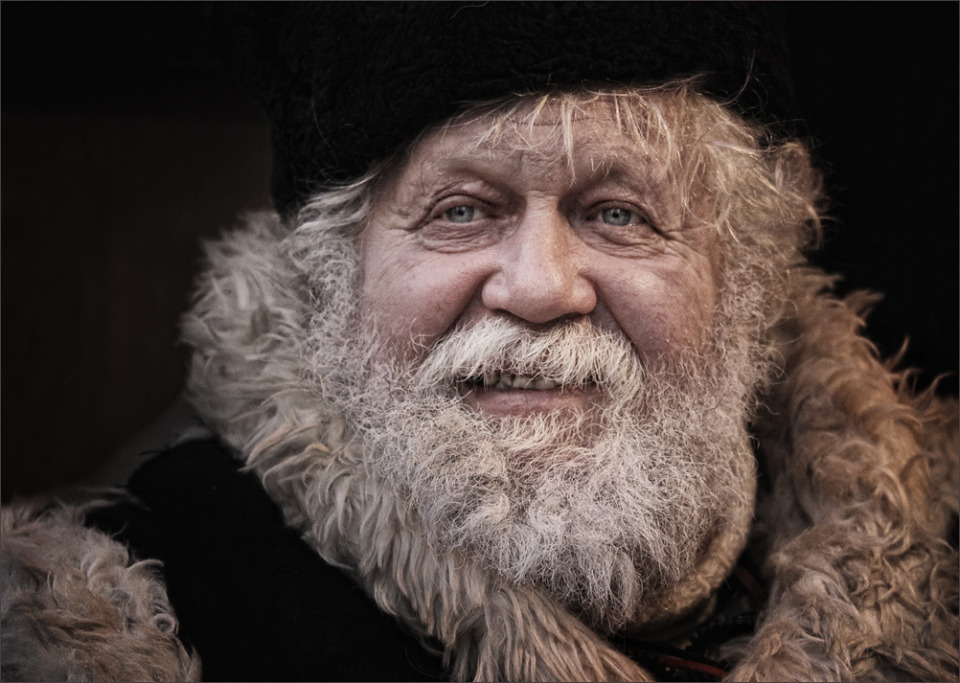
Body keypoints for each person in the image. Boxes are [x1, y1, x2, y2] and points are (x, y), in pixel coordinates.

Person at [2, 4, 956, 681]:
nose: (540, 287)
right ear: (338, 276)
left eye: (618, 212)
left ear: (741, 278)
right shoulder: (122, 622)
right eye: (461, 210)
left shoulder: (941, 580)